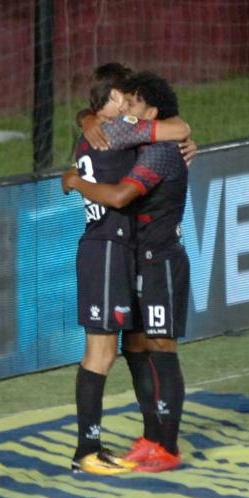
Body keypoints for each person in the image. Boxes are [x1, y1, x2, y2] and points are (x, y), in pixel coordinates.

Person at [63, 71, 191, 473]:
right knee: (102, 353)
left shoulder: (108, 132)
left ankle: (156, 440)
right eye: (126, 99)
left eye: (135, 102)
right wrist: (75, 180)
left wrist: (85, 120)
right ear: (113, 99)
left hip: (131, 253)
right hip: (107, 248)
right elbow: (177, 129)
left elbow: (175, 129)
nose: (129, 109)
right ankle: (88, 450)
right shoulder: (115, 133)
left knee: (139, 345)